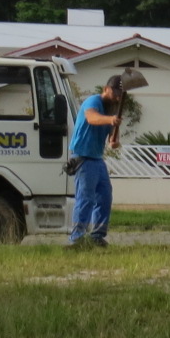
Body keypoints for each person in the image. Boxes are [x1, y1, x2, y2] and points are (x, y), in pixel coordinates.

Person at [67, 74, 124, 248]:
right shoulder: (93, 101)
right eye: (114, 92)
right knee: (86, 198)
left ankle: (97, 236)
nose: (116, 96)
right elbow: (92, 118)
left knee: (105, 197)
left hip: (97, 159)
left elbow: (112, 143)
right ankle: (77, 239)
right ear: (106, 89)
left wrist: (115, 135)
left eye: (119, 93)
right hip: (83, 156)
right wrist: (111, 120)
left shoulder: (111, 112)